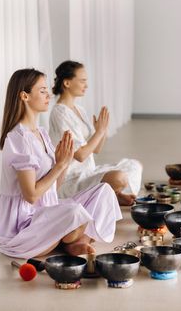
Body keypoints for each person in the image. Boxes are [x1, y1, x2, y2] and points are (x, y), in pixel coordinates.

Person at [0, 68, 122, 259]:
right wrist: (60, 166)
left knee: (104, 192)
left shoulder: (42, 134)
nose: (48, 95)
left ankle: (73, 240)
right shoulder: (18, 138)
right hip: (24, 227)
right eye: (42, 91)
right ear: (24, 96)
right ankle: (73, 240)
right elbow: (31, 195)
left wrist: (66, 160)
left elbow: (54, 187)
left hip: (49, 213)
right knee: (74, 212)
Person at [49, 60, 143, 206]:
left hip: (89, 172)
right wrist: (99, 132)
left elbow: (96, 149)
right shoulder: (59, 113)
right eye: (82, 81)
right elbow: (80, 155)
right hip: (71, 180)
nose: (86, 85)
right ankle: (109, 195)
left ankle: (114, 194)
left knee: (134, 165)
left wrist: (103, 130)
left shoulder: (80, 110)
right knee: (120, 178)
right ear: (67, 83)